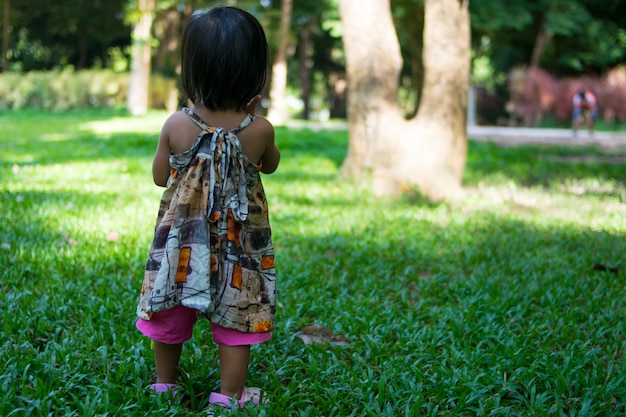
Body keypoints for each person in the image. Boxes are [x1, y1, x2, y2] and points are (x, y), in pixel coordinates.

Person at [135, 6, 280, 411]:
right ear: (256, 74)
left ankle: (165, 385)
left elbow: (160, 177)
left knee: (170, 308)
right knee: (236, 315)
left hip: (182, 243)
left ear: (191, 71)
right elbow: (269, 164)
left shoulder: (176, 125)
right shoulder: (259, 129)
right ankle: (229, 395)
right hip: (239, 249)